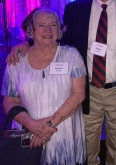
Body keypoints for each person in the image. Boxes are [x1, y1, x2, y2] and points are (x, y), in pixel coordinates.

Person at [7, 0, 116, 165]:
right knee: (87, 151)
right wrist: (26, 44)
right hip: (85, 91)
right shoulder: (75, 9)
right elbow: (56, 40)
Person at [2, 8, 87, 164]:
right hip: (28, 136)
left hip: (64, 135)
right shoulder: (16, 61)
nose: (48, 30)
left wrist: (46, 128)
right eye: (41, 25)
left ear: (59, 29)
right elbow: (9, 101)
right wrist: (32, 125)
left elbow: (79, 95)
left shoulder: (71, 55)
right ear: (31, 30)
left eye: (53, 25)